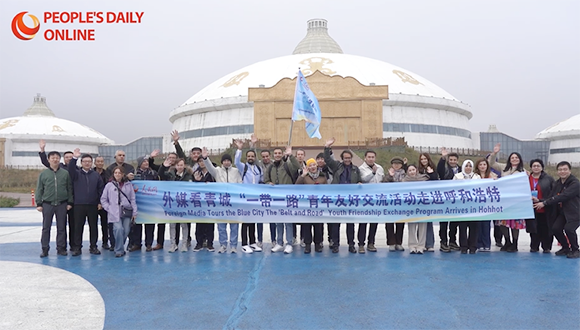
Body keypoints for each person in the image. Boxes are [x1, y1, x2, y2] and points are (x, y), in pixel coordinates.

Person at [534, 161, 580, 258]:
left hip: (575, 212)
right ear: (557, 172)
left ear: (569, 171)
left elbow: (564, 196)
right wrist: (539, 200)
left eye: (565, 169)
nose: (562, 171)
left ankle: (576, 250)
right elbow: (552, 196)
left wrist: (544, 203)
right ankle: (565, 248)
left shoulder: (575, 183)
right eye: (560, 169)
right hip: (563, 212)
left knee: (569, 229)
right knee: (555, 228)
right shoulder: (557, 183)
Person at [324, 137, 362, 253]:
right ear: (342, 159)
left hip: (350, 200)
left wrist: (359, 183)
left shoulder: (356, 169)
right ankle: (335, 244)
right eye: (345, 158)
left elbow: (359, 180)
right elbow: (328, 160)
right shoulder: (337, 166)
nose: (347, 160)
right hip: (338, 199)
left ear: (351, 158)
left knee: (350, 225)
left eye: (349, 158)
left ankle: (351, 244)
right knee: (336, 224)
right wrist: (327, 147)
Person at [487, 143, 528, 252]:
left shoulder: (523, 172)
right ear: (509, 159)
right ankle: (507, 241)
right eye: (512, 157)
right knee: (502, 222)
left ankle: (515, 244)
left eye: (516, 158)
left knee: (515, 223)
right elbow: (491, 163)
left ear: (519, 159)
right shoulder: (503, 167)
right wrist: (494, 153)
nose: (514, 159)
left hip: (516, 201)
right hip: (504, 200)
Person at [203, 147, 242, 253]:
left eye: (228, 160)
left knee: (234, 226)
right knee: (221, 226)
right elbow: (209, 167)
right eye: (224, 160)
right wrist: (205, 158)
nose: (226, 162)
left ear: (231, 162)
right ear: (222, 162)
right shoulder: (217, 171)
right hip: (221, 203)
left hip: (233, 203)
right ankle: (223, 245)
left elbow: (240, 184)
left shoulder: (236, 171)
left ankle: (233, 245)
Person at [39, 139, 76, 251]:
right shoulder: (44, 174)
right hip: (47, 204)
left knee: (61, 227)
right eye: (52, 158)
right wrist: (39, 203)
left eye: (56, 158)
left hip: (62, 204)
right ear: (49, 160)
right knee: (46, 228)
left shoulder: (65, 173)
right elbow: (39, 189)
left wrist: (69, 202)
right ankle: (45, 248)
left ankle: (61, 248)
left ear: (59, 159)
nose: (55, 160)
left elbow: (69, 188)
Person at [67, 149, 104, 256]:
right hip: (79, 205)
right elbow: (70, 169)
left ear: (92, 163)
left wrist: (100, 202)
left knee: (94, 227)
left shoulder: (96, 175)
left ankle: (93, 246)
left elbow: (100, 189)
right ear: (81, 162)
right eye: (84, 161)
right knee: (78, 227)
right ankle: (77, 247)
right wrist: (74, 158)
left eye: (89, 161)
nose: (87, 163)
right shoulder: (76, 174)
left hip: (93, 205)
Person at [264, 146, 299, 254]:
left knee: (288, 222)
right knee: (278, 222)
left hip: (287, 198)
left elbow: (297, 167)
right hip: (275, 198)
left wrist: (291, 155)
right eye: (276, 153)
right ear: (273, 155)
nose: (278, 155)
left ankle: (289, 243)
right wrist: (268, 183)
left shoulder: (287, 165)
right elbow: (265, 180)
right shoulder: (270, 167)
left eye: (279, 153)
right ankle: (279, 243)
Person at [100, 166, 137, 257]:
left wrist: (135, 211)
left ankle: (118, 245)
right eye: (115, 173)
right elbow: (103, 199)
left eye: (119, 173)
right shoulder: (109, 185)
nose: (117, 174)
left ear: (123, 174)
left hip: (126, 210)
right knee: (118, 229)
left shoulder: (128, 185)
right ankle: (119, 250)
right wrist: (109, 208)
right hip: (114, 212)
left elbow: (132, 198)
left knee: (126, 230)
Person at [234, 139, 263, 254]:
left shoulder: (258, 168)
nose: (250, 158)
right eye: (249, 156)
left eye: (252, 156)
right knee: (245, 222)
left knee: (253, 221)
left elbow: (261, 182)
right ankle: (244, 244)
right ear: (246, 158)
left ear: (255, 158)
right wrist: (239, 149)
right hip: (245, 199)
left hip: (255, 199)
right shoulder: (243, 167)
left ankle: (252, 242)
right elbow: (236, 161)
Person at [159, 158, 193, 252]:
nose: (180, 167)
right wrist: (163, 166)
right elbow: (161, 174)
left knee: (184, 224)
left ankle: (184, 244)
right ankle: (173, 244)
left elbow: (193, 187)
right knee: (172, 224)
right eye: (178, 165)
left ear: (184, 165)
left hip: (184, 203)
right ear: (175, 166)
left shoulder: (189, 175)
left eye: (181, 165)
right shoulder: (170, 174)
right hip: (172, 203)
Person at [296, 158, 327, 253]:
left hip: (318, 205)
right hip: (307, 205)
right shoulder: (304, 177)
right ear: (307, 167)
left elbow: (327, 190)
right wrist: (302, 175)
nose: (312, 167)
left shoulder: (322, 176)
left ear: (316, 165)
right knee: (306, 226)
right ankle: (307, 245)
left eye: (314, 165)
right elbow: (296, 186)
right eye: (310, 165)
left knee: (318, 226)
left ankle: (318, 244)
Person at [148, 151, 178, 250]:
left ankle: (176, 242)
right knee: (161, 221)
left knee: (176, 221)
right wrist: (151, 157)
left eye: (174, 157)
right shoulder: (161, 167)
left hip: (176, 199)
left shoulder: (180, 168)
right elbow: (151, 165)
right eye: (170, 157)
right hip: (163, 198)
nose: (172, 159)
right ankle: (159, 243)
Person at [130, 155, 159, 252]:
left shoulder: (153, 173)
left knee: (150, 224)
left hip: (150, 203)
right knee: (136, 225)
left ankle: (149, 244)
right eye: (144, 162)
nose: (146, 163)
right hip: (138, 202)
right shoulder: (134, 174)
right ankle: (137, 243)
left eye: (147, 161)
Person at [358, 150, 384, 253]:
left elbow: (382, 180)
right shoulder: (360, 168)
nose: (371, 159)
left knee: (374, 222)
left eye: (373, 157)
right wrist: (373, 172)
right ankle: (361, 244)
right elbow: (363, 179)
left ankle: (371, 243)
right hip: (365, 199)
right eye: (369, 157)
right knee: (363, 223)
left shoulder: (380, 168)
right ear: (365, 158)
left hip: (377, 199)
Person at [453, 160, 481, 254]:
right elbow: (453, 189)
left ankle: (473, 246)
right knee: (462, 227)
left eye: (470, 166)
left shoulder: (477, 177)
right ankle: (463, 247)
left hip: (474, 206)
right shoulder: (457, 176)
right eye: (466, 166)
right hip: (462, 206)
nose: (468, 168)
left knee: (474, 227)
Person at [402, 164, 432, 254]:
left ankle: (421, 246)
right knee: (411, 227)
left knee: (423, 226)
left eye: (413, 169)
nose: (412, 172)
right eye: (410, 170)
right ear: (407, 172)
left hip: (423, 206)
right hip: (410, 207)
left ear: (417, 170)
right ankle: (412, 245)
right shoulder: (404, 181)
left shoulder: (424, 179)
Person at [527, 159, 555, 253]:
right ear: (531, 167)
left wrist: (542, 201)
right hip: (531, 208)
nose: (536, 167)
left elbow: (553, 194)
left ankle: (546, 247)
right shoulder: (526, 178)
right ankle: (534, 246)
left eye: (538, 166)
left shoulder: (549, 179)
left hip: (545, 208)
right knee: (533, 229)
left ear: (542, 167)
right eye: (534, 166)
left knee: (545, 228)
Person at [436, 147, 461, 252]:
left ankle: (452, 241)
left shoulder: (461, 170)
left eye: (454, 160)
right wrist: (443, 158)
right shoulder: (444, 169)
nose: (452, 162)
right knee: (444, 222)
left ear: (457, 161)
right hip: (445, 199)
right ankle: (443, 242)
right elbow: (439, 169)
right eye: (450, 160)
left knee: (455, 222)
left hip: (457, 200)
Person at [383, 156, 407, 251]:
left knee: (400, 223)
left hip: (401, 202)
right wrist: (390, 176)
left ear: (401, 165)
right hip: (390, 202)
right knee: (389, 223)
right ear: (392, 165)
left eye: (398, 164)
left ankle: (399, 242)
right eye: (395, 164)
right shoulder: (387, 174)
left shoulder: (405, 175)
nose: (396, 165)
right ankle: (391, 243)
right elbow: (383, 184)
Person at [473, 158, 497, 252]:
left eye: (484, 164)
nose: (482, 166)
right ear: (477, 166)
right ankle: (478, 244)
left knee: (486, 224)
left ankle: (486, 244)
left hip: (488, 204)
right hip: (476, 203)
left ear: (487, 166)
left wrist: (496, 181)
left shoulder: (492, 175)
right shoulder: (474, 176)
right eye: (480, 165)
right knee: (478, 224)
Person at [192, 157, 216, 252]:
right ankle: (199, 243)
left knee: (210, 224)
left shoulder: (213, 172)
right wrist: (197, 181)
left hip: (210, 201)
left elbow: (217, 185)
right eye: (199, 162)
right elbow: (192, 188)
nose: (202, 163)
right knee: (199, 224)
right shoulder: (196, 173)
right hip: (199, 202)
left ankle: (210, 243)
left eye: (203, 161)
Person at [417, 153, 439, 252]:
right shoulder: (418, 170)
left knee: (428, 222)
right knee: (419, 221)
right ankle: (421, 243)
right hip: (419, 199)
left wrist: (431, 173)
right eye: (422, 159)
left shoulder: (433, 168)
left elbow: (435, 182)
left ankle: (429, 244)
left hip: (429, 199)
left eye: (425, 158)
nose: (423, 160)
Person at [94, 156, 112, 251]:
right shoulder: (91, 173)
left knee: (105, 224)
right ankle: (93, 244)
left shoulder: (107, 174)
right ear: (95, 163)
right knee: (93, 225)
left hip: (105, 203)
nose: (100, 163)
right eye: (98, 161)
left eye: (102, 161)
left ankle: (105, 242)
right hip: (93, 203)